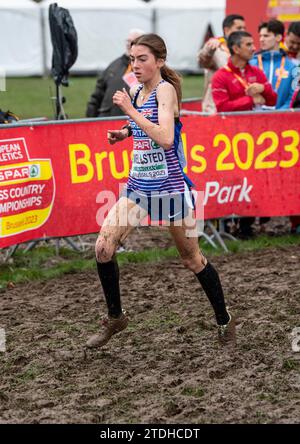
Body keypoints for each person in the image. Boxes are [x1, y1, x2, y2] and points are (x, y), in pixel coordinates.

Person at [86, 33, 236, 350]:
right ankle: (116, 317)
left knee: (192, 259)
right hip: (138, 187)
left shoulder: (165, 91)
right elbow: (145, 125)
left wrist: (129, 111)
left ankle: (224, 319)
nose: (135, 64)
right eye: (132, 58)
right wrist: (124, 133)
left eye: (142, 59)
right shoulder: (139, 91)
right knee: (103, 248)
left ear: (159, 61)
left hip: (170, 190)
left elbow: (167, 137)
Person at [212, 31, 277, 238]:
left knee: (255, 179)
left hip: (256, 136)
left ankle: (248, 225)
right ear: (236, 48)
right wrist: (250, 100)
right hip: (231, 137)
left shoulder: (256, 72)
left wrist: (264, 90)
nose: (253, 47)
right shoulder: (221, 76)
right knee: (234, 179)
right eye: (248, 44)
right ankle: (232, 222)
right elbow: (222, 107)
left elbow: (273, 100)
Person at [86, 29, 144, 118]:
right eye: (128, 41)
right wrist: (90, 120)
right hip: (106, 119)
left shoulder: (147, 69)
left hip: (132, 122)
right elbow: (97, 95)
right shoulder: (114, 66)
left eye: (134, 42)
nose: (129, 44)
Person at [197, 14, 246, 113]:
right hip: (215, 109)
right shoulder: (217, 48)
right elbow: (202, 60)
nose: (243, 31)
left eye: (244, 28)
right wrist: (209, 49)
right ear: (227, 30)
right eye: (239, 28)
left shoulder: (245, 49)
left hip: (239, 106)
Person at [250, 20, 296, 109]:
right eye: (260, 36)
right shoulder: (251, 63)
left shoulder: (292, 66)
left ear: (278, 37)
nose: (261, 39)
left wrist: (278, 114)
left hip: (281, 119)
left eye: (266, 36)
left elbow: (292, 97)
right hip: (254, 119)